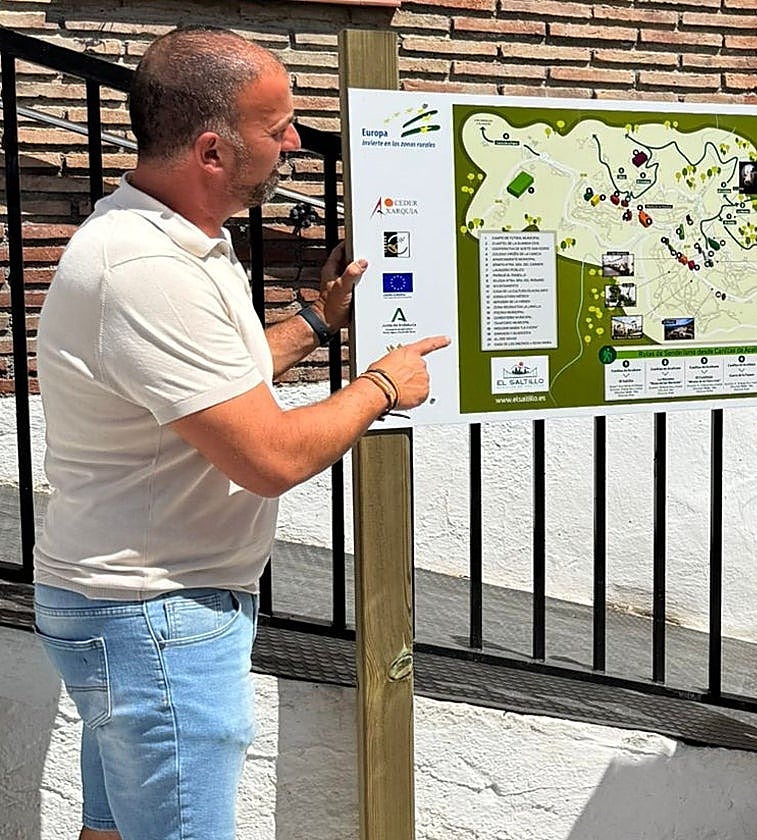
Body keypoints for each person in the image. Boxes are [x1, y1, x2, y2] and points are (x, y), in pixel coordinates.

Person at [31, 26, 448, 840]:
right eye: (278, 126)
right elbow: (270, 456)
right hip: (154, 618)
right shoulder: (145, 268)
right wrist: (383, 385)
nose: (294, 142)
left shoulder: (172, 239)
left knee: (113, 833)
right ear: (214, 151)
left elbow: (218, 384)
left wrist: (317, 324)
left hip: (126, 607)